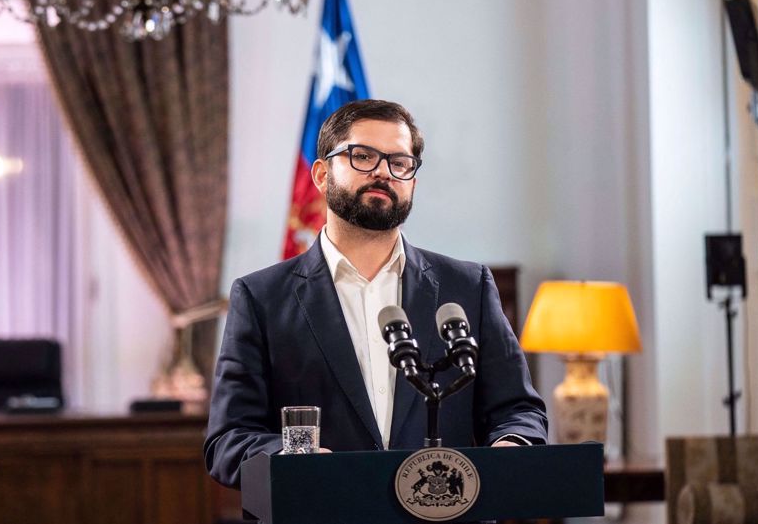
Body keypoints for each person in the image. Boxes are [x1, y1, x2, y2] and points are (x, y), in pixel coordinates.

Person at [204, 99, 547, 488]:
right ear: (321, 174)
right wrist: (294, 461)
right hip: (325, 506)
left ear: (413, 181)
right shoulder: (261, 298)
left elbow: (518, 410)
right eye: (363, 156)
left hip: (445, 509)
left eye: (399, 162)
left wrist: (511, 447)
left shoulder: (468, 287)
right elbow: (229, 440)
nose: (383, 172)